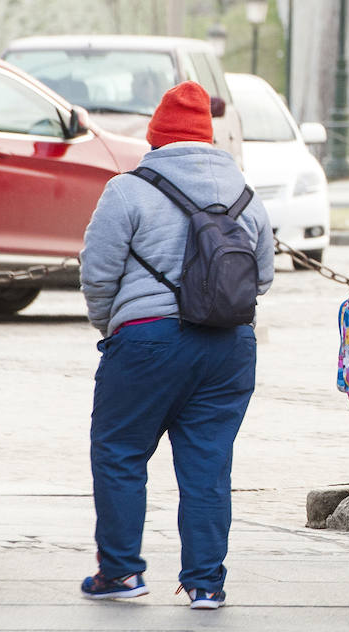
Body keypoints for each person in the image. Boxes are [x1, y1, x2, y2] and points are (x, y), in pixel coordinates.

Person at [78, 81, 275, 609]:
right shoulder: (245, 196)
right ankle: (206, 583)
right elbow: (262, 278)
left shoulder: (128, 190)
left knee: (119, 452)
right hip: (230, 347)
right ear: (208, 139)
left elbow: (97, 275)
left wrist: (113, 326)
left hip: (146, 342)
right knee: (208, 465)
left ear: (156, 137)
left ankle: (120, 572)